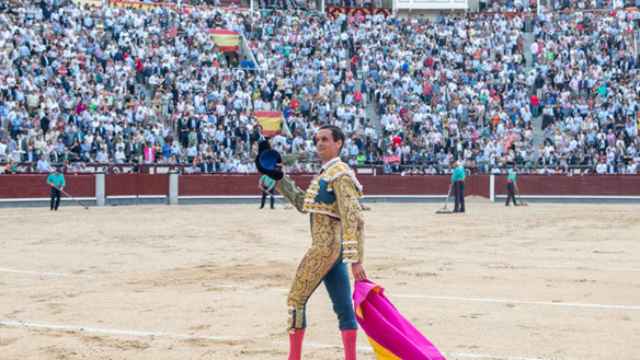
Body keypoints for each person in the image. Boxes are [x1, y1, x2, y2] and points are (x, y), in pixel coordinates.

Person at [261, 125, 366, 360]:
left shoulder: (339, 174)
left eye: (325, 139)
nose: (319, 143)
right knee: (343, 308)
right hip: (334, 252)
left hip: (324, 249)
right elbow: (302, 204)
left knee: (296, 300)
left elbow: (353, 217)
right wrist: (279, 178)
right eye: (317, 139)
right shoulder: (327, 174)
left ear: (338, 143)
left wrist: (356, 260)